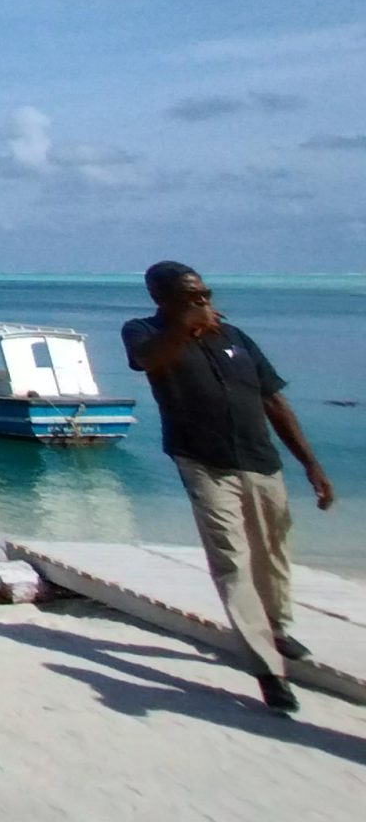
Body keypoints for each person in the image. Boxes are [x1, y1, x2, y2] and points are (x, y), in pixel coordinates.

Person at [123, 261, 337, 716]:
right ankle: (267, 670)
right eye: (191, 297)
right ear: (163, 300)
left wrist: (311, 466)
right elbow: (150, 362)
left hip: (261, 461)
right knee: (232, 561)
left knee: (273, 551)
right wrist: (184, 327)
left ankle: (277, 627)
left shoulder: (235, 337)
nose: (204, 302)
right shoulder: (144, 331)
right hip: (204, 462)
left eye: (205, 294)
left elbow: (273, 399)